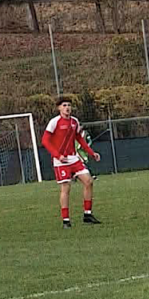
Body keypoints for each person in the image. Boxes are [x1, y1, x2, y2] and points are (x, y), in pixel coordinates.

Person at [42, 97, 102, 229]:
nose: (67, 108)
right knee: (66, 188)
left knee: (88, 181)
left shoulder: (74, 121)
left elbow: (79, 139)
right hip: (61, 161)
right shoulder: (54, 122)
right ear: (59, 108)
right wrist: (58, 155)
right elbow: (45, 141)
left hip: (73, 158)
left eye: (69, 105)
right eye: (64, 105)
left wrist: (92, 153)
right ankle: (66, 221)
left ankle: (87, 215)